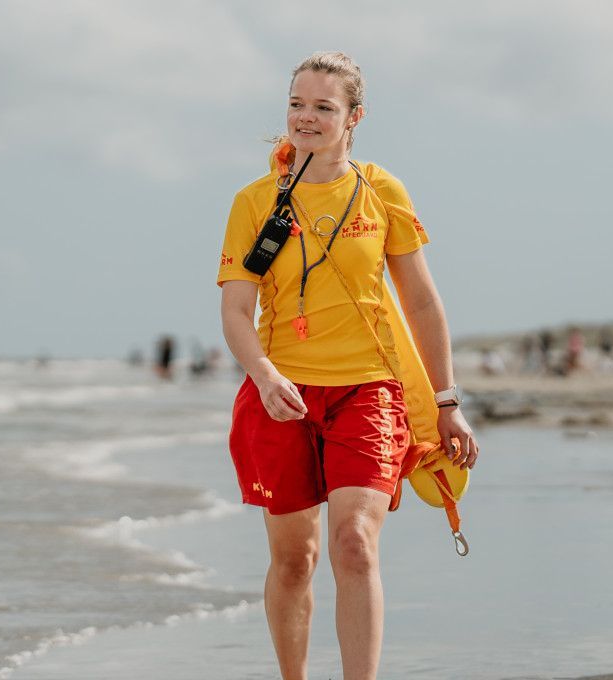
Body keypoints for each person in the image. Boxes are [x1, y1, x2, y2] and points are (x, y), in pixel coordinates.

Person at [216, 52, 477, 680]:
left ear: (353, 118)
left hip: (369, 392)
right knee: (294, 561)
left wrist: (447, 401)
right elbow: (234, 311)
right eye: (297, 105)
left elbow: (421, 300)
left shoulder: (381, 191)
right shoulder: (256, 202)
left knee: (355, 545)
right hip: (283, 396)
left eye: (323, 107)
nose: (306, 118)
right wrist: (265, 375)